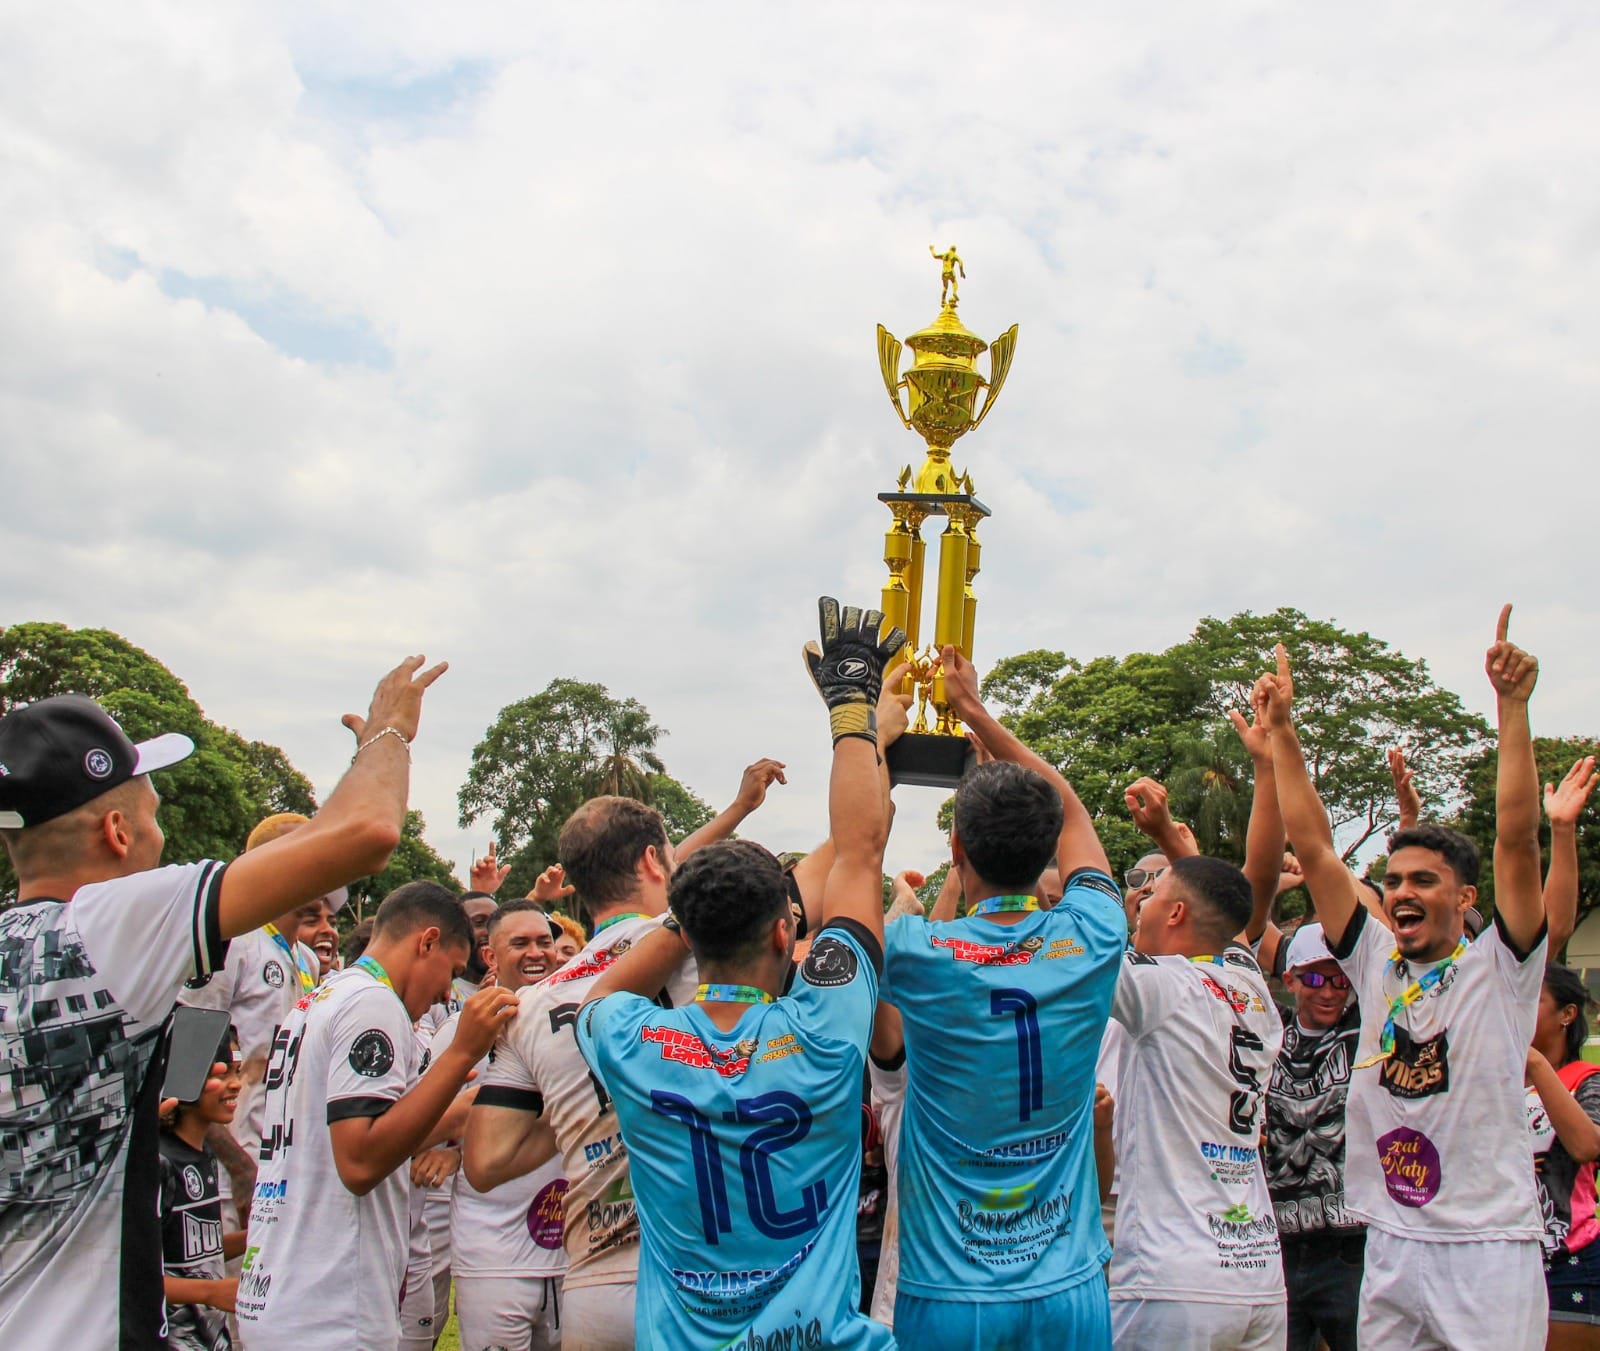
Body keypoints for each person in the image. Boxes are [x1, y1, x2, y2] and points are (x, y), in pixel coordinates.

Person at [0, 656, 445, 1346]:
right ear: (116, 831)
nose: (162, 833)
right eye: (153, 812)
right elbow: (366, 835)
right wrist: (389, 737)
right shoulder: (110, 921)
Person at [572, 596, 902, 1349]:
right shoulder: (823, 1025)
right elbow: (858, 853)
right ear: (787, 931)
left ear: (684, 933)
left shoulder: (630, 1037)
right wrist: (853, 709)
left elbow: (606, 986)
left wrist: (688, 911)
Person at [1265, 607, 1548, 1351]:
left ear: (1465, 898)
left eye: (1426, 879)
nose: (1403, 892)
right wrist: (1285, 734)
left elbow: (1517, 840)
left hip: (1485, 1248)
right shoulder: (1375, 961)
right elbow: (1317, 850)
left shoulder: (1502, 968)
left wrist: (1511, 709)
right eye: (1393, 880)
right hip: (1391, 1240)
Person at [464, 758, 786, 1351]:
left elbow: (485, 1162)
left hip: (595, 1283)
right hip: (705, 1270)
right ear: (650, 862)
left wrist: (577, 1116)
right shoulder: (698, 935)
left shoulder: (532, 1004)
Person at [872, 643, 1125, 1347]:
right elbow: (1071, 810)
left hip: (952, 1294)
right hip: (1072, 1288)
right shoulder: (1095, 934)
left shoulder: (916, 951)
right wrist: (975, 710)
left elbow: (858, 862)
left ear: (956, 850)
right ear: (1046, 854)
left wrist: (872, 741)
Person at [236, 881, 519, 1349]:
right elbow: (360, 1160)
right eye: (449, 970)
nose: (445, 991)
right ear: (426, 941)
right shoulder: (373, 1003)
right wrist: (460, 1055)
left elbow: (338, 1140)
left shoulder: (317, 1000)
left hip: (286, 1284)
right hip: (331, 1304)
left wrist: (448, 1118)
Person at [1107, 848, 1286, 1347]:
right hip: (1259, 1273)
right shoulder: (1255, 990)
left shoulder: (1160, 987)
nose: (1140, 905)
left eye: (1152, 895)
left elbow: (1076, 956)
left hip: (1174, 1276)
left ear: (1176, 912)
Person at [439, 900, 568, 1351]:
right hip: (494, 1253)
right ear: (490, 957)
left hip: (573, 1246)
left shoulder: (578, 1025)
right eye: (520, 943)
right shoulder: (461, 1032)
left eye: (544, 942)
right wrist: (448, 1150)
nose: (537, 953)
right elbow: (426, 1121)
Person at [1265, 922, 1365, 1351]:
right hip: (1278, 1245)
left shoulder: (1363, 1031)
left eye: (1340, 980)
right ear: (1289, 979)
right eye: (1314, 978)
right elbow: (1243, 931)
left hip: (1350, 1248)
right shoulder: (1266, 1031)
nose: (1329, 991)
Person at [1526, 963, 1600, 1348]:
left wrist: (1536, 1063)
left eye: (1533, 999)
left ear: (1567, 1015)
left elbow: (1587, 1146)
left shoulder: (1588, 1078)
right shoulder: (1489, 1078)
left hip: (1567, 1261)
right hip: (1496, 1260)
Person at [158, 1031, 247, 1350]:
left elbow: (193, 1254)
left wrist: (256, 1238)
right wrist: (211, 1292)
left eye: (236, 1072)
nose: (235, 1084)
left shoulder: (204, 1156)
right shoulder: (160, 1163)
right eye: (218, 1075)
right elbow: (135, 1274)